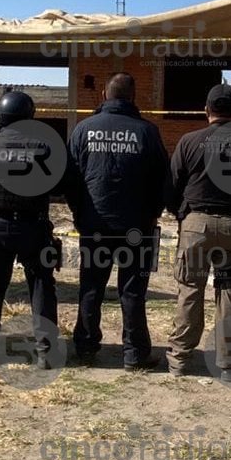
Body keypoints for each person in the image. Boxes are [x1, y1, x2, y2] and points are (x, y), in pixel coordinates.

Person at [165, 84, 231, 378]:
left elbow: (172, 186)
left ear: (206, 110)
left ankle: (180, 359)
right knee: (229, 289)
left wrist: (183, 215)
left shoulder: (189, 141)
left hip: (196, 224)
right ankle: (228, 361)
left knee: (190, 289)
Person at [68, 72, 169, 370]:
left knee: (91, 286)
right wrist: (152, 214)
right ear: (133, 97)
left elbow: (70, 179)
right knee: (133, 291)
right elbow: (163, 180)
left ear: (104, 95)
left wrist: (79, 214)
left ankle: (85, 348)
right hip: (136, 226)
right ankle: (135, 354)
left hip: (94, 224)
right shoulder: (147, 132)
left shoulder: (83, 129)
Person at [0, 90, 62, 368]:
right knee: (42, 285)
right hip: (34, 225)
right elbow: (57, 185)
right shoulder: (44, 147)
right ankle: (45, 351)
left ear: (0, 117)